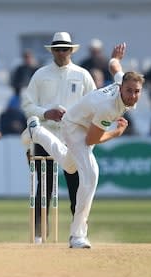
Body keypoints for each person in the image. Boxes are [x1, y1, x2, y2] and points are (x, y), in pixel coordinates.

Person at [26, 43, 144, 248]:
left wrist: (115, 58)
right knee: (91, 174)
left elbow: (115, 68)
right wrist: (116, 132)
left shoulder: (120, 82)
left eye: (136, 92)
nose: (132, 96)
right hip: (73, 126)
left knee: (69, 165)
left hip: (82, 122)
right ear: (121, 88)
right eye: (129, 91)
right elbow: (91, 140)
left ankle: (37, 131)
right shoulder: (108, 108)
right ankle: (77, 235)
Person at [21, 32, 96, 244]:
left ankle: (77, 235)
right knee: (44, 186)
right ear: (52, 50)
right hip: (45, 135)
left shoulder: (82, 75)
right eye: (57, 48)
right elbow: (27, 106)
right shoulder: (41, 74)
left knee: (77, 186)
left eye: (65, 48)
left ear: (72, 50)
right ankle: (39, 235)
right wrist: (47, 113)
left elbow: (94, 105)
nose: (61, 52)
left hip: (73, 137)